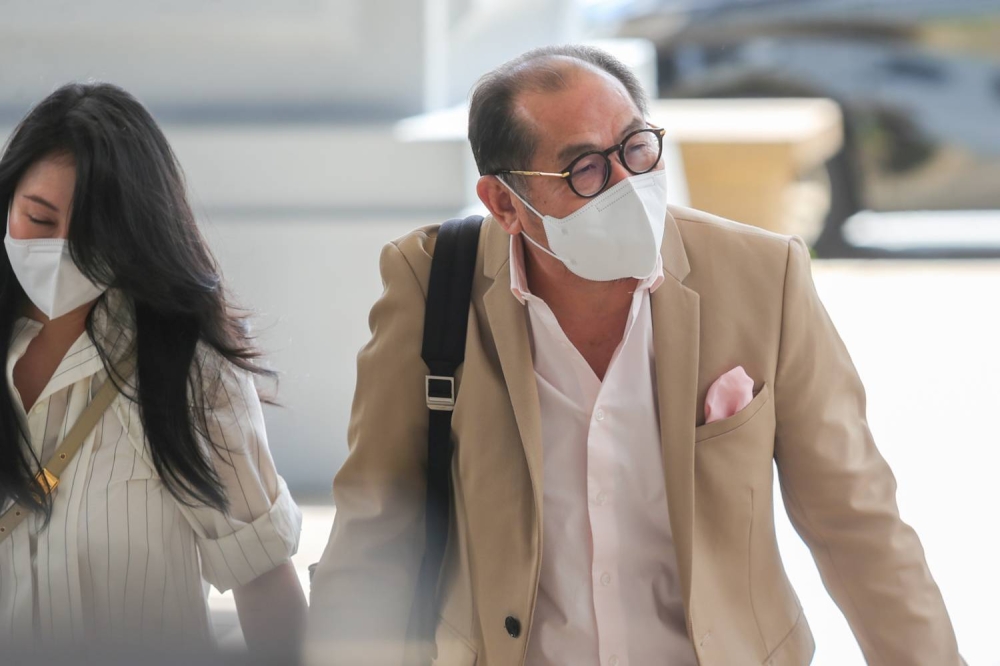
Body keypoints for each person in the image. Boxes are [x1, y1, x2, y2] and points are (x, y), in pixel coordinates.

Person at [308, 45, 963, 665]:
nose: (626, 182)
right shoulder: (432, 285)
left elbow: (857, 522)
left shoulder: (762, 277)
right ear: (505, 203)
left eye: (635, 147)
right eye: (585, 168)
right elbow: (377, 524)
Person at [0, 83, 305, 655]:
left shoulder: (193, 377)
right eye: (38, 219)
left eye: (90, 236)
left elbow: (263, 584)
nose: (59, 251)